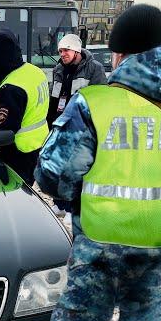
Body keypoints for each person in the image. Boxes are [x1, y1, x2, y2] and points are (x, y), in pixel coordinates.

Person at [34, 4, 161, 321]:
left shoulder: (95, 103)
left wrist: (77, 199)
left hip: (101, 240)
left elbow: (53, 175)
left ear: (119, 52)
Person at [0, 29, 49, 186]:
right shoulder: (34, 71)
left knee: (13, 196)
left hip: (16, 152)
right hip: (37, 145)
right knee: (27, 190)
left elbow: (0, 132)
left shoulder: (12, 89)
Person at [48, 33, 107, 223]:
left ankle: (74, 208)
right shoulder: (58, 69)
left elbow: (100, 99)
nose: (62, 54)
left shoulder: (94, 69)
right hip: (60, 125)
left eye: (66, 50)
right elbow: (53, 99)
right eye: (60, 50)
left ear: (76, 50)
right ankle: (59, 204)